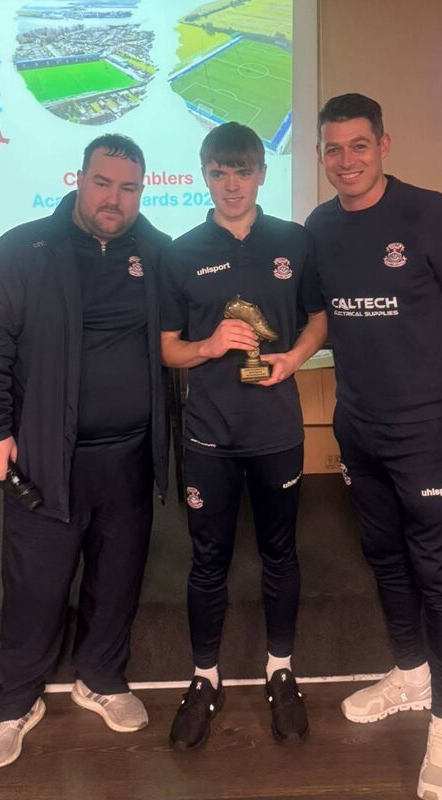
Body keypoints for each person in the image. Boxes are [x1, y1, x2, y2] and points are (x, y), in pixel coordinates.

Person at [305, 93, 442, 800]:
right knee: (384, 557)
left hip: (431, 431)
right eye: (331, 148)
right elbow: (320, 317)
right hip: (359, 428)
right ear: (319, 155)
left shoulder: (430, 214)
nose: (344, 160)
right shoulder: (319, 227)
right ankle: (410, 675)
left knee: (436, 571)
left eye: (357, 145)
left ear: (383, 145)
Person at [0, 134, 170, 768]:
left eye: (128, 187)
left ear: (142, 190)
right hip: (44, 457)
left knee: (116, 579)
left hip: (131, 457)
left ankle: (101, 678)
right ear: (79, 179)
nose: (114, 198)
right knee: (35, 585)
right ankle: (15, 701)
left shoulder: (156, 250)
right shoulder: (23, 248)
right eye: (103, 183)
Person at [160, 122, 327, 751]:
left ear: (262, 173)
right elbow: (167, 349)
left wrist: (295, 359)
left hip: (277, 433)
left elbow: (317, 318)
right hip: (208, 437)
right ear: (204, 175)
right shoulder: (179, 251)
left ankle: (280, 669)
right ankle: (205, 678)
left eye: (243, 171)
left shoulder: (294, 242)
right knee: (209, 562)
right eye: (219, 172)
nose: (231, 184)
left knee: (280, 554)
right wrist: (206, 346)